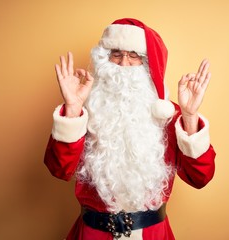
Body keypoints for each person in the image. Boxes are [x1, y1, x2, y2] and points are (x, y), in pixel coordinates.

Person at [44, 18, 216, 240]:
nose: (123, 63)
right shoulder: (85, 110)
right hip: (93, 234)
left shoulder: (169, 115)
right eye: (116, 54)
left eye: (133, 55)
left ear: (148, 64)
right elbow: (59, 170)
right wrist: (72, 108)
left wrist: (190, 116)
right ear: (105, 59)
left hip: (152, 233)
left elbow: (200, 178)